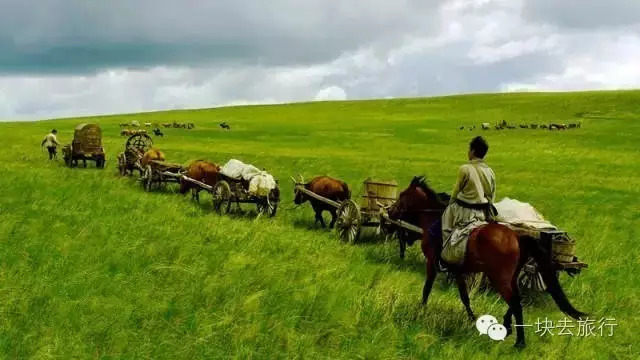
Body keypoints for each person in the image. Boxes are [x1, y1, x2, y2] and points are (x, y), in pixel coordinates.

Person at [438, 136, 497, 265]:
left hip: (463, 211)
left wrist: (450, 205)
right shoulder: (490, 171)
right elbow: (491, 195)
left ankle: (447, 255)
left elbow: (455, 192)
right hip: (482, 212)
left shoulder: (465, 169)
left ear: (473, 151)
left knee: (445, 225)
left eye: (469, 149)